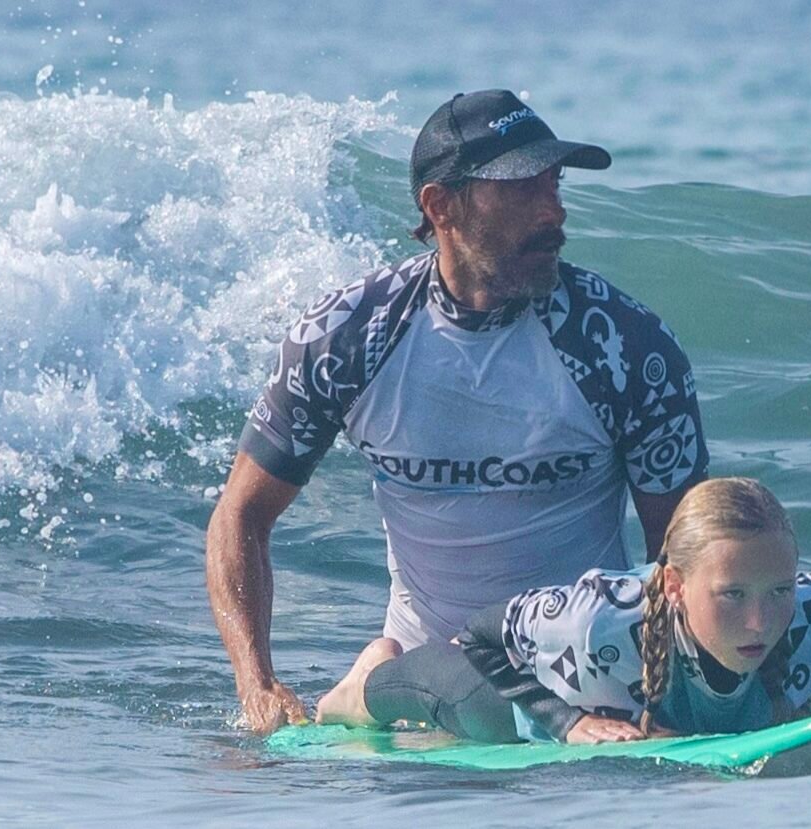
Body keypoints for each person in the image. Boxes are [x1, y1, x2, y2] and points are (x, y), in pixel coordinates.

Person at [207, 89, 709, 733]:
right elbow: (240, 515)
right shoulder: (351, 338)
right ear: (440, 206)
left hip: (585, 665)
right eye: (523, 190)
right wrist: (258, 683)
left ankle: (378, 687)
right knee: (466, 692)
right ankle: (375, 687)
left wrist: (677, 700)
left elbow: (687, 558)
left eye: (555, 186)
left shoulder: (622, 346)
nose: (554, 211)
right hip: (428, 681)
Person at [314, 478, 811, 744]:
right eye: (733, 594)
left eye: (777, 590)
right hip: (516, 689)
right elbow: (481, 634)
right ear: (673, 585)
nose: (760, 621)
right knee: (416, 698)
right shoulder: (595, 619)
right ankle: (365, 678)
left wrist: (799, 704)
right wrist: (568, 721)